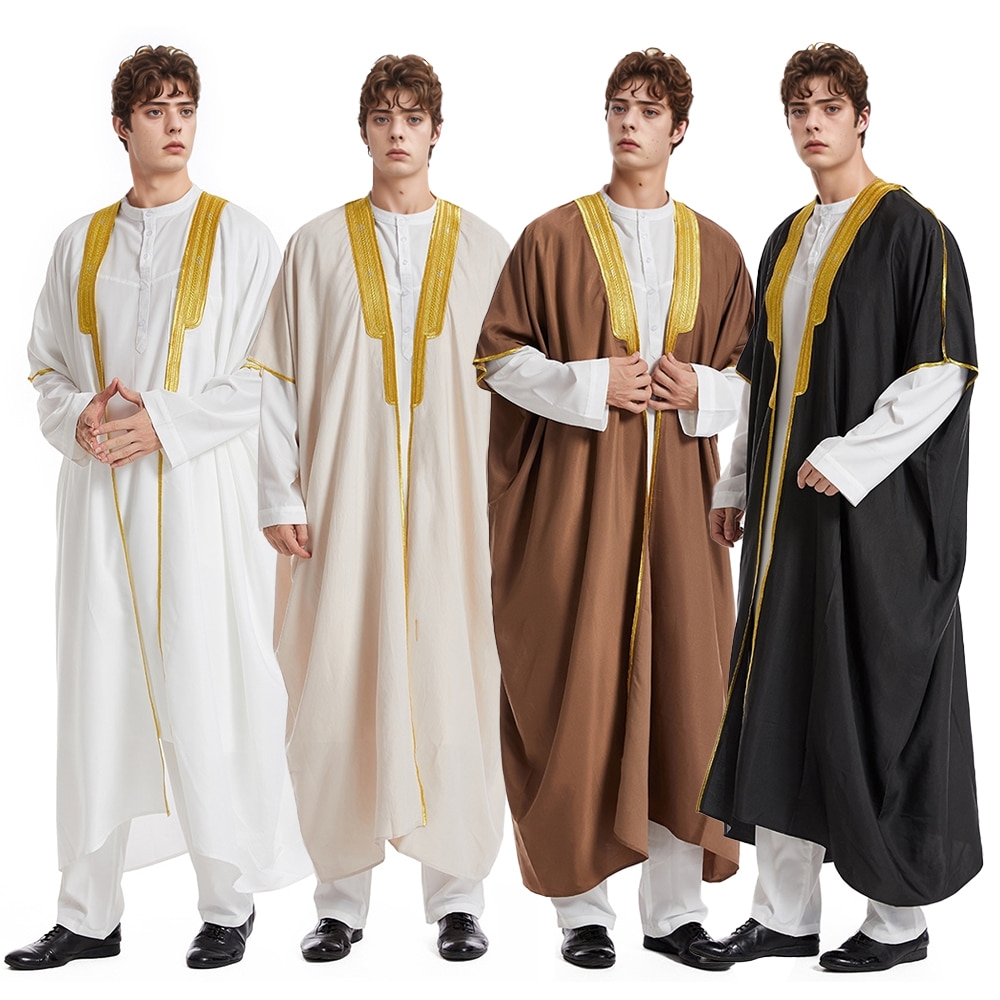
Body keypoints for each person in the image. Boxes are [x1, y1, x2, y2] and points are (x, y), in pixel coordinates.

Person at [5, 45, 308, 972]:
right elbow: (45, 367)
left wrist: (163, 424)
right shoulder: (78, 243)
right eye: (154, 110)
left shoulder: (243, 237)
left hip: (201, 503)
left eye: (185, 108)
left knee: (208, 688)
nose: (174, 125)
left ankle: (228, 904)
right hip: (100, 504)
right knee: (97, 697)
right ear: (121, 126)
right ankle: (87, 915)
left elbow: (269, 377)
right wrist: (83, 417)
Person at [694, 42, 981, 973]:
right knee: (781, 697)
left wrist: (847, 456)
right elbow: (762, 380)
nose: (813, 123)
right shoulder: (784, 240)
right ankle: (783, 915)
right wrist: (736, 485)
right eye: (799, 110)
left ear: (862, 117)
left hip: (875, 526)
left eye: (829, 107)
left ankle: (898, 922)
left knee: (871, 702)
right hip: (786, 525)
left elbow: (942, 371)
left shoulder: (914, 232)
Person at [474, 48, 752, 970]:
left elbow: (759, 381)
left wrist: (702, 389)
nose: (630, 122)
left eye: (649, 109)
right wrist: (593, 383)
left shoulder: (719, 250)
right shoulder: (550, 238)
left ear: (680, 129)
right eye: (619, 106)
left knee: (684, 697)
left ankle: (673, 912)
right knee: (578, 694)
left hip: (681, 515)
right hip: (574, 513)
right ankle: (581, 912)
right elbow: (497, 361)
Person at [249, 53, 507, 963]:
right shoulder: (315, 246)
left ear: (437, 131)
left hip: (457, 515)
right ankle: (339, 902)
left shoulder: (486, 249)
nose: (398, 132)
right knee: (336, 685)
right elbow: (275, 381)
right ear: (363, 130)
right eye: (383, 117)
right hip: (339, 509)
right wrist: (279, 491)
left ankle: (459, 897)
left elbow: (517, 391)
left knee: (456, 681)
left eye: (413, 117)